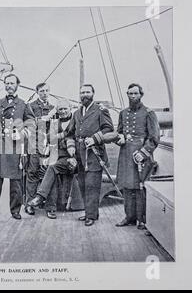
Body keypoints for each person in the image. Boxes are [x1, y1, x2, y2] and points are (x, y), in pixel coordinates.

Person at [0, 74, 34, 220]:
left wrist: (22, 133)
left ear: (18, 85)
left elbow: (31, 123)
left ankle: (15, 211)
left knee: (16, 181)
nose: (9, 86)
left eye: (12, 83)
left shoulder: (24, 105)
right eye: (7, 83)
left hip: (15, 147)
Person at [65, 84, 115, 226]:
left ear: (93, 93)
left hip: (94, 153)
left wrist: (94, 138)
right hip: (80, 155)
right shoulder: (76, 113)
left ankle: (91, 216)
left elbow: (108, 129)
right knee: (83, 185)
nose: (84, 95)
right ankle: (90, 212)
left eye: (87, 92)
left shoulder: (101, 110)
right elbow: (69, 133)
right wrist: (71, 147)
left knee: (92, 185)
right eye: (82, 92)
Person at [115, 83, 160, 230]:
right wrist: (119, 138)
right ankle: (129, 217)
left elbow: (154, 137)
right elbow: (119, 132)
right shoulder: (123, 113)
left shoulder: (149, 113)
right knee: (127, 187)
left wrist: (143, 153)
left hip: (141, 156)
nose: (133, 96)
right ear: (127, 94)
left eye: (136, 93)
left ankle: (142, 219)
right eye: (130, 93)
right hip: (126, 154)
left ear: (141, 95)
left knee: (140, 187)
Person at [28, 98, 78, 219]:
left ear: (70, 109)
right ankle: (50, 208)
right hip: (59, 157)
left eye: (65, 108)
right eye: (60, 109)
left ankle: (40, 198)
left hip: (74, 158)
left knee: (52, 168)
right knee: (52, 169)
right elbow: (50, 138)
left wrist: (62, 136)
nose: (63, 111)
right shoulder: (55, 123)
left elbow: (76, 136)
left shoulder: (76, 120)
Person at [24, 83, 56, 216]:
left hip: (50, 145)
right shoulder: (30, 106)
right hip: (34, 144)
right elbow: (28, 123)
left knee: (49, 175)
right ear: (37, 92)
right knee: (32, 174)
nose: (44, 93)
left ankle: (50, 207)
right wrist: (42, 119)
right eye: (41, 91)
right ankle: (30, 204)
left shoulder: (54, 108)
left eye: (47, 90)